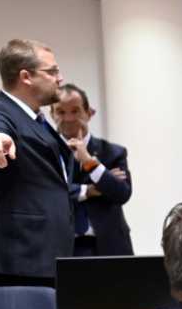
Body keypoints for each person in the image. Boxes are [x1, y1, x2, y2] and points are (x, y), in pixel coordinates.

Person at [0, 39, 72, 286]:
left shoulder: (39, 122)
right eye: (52, 71)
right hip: (18, 263)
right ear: (25, 76)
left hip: (46, 258)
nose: (59, 78)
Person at [52, 83, 133, 256]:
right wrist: (88, 190)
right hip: (63, 250)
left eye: (75, 111)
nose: (68, 118)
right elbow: (47, 193)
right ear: (51, 115)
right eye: (60, 112)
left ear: (89, 113)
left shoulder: (113, 152)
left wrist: (89, 162)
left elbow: (122, 193)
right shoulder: (44, 154)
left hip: (109, 247)